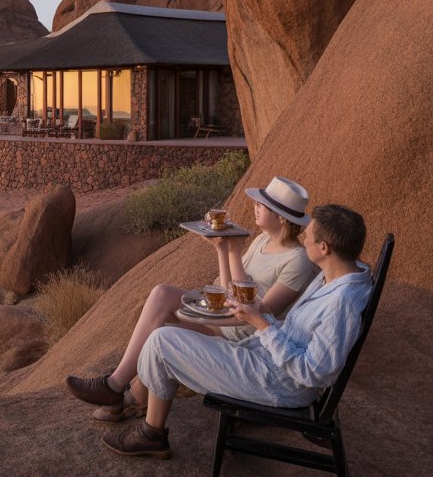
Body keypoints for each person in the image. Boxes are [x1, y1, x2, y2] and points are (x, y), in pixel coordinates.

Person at [100, 204, 370, 458]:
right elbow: (295, 332)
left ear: (325, 248)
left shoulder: (341, 302)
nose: (305, 238)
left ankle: (151, 433)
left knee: (162, 340)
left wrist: (262, 324)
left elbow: (313, 372)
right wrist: (260, 314)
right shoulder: (334, 277)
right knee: (168, 333)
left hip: (278, 381)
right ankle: (142, 413)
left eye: (309, 235)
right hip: (266, 359)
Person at [65, 176, 315, 420]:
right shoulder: (262, 241)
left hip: (243, 336)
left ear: (281, 218)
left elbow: (258, 314)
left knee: (162, 332)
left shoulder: (297, 261)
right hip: (224, 319)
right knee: (162, 294)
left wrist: (235, 252)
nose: (255, 206)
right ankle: (117, 388)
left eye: (263, 204)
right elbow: (229, 290)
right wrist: (222, 249)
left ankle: (121, 394)